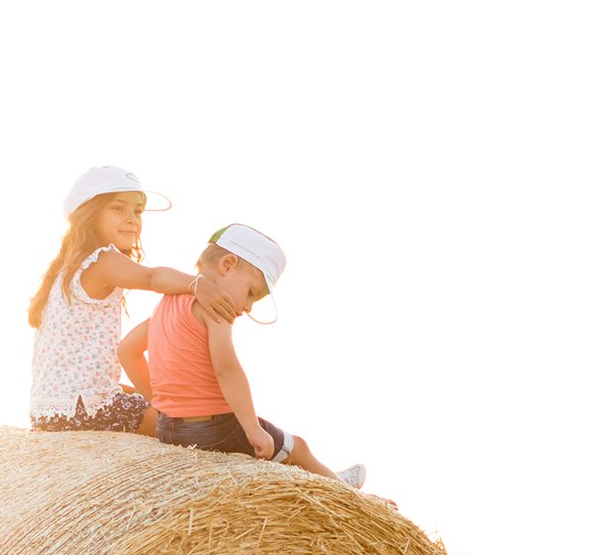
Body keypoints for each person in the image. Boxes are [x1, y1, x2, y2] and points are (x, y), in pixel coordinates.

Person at [120, 223, 366, 487]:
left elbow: (126, 351)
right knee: (299, 449)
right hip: (213, 430)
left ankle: (334, 481)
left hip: (169, 430)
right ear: (227, 265)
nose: (248, 306)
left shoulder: (164, 307)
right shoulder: (216, 306)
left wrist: (160, 404)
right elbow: (226, 370)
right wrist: (252, 429)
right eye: (251, 293)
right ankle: (345, 491)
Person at [28, 166, 229, 435]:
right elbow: (153, 278)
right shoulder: (103, 260)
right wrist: (197, 285)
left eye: (138, 211)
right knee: (198, 428)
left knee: (150, 399)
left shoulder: (62, 273)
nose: (132, 219)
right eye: (118, 209)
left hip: (50, 413)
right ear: (89, 215)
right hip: (88, 411)